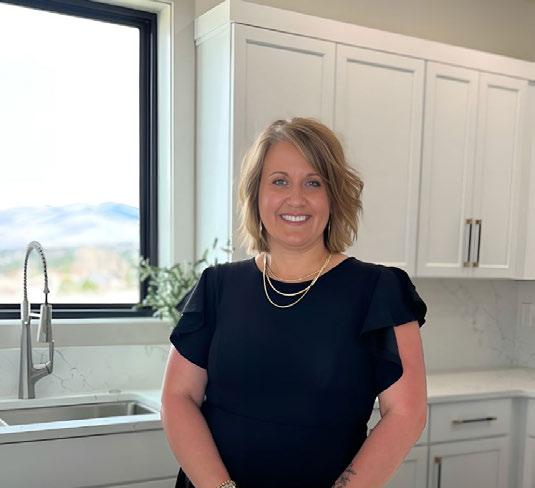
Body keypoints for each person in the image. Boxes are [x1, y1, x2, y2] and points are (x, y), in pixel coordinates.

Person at [161, 117, 428, 488]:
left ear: (334, 196)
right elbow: (178, 397)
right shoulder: (217, 286)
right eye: (279, 181)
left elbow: (406, 413)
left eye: (314, 182)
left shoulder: (378, 290)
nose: (296, 198)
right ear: (256, 194)